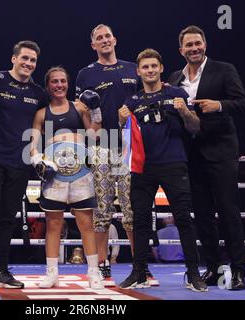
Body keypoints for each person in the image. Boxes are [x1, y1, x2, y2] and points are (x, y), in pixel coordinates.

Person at [168, 25, 245, 290]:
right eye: (188, 45)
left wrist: (220, 105)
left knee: (228, 211)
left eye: (197, 43)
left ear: (205, 44)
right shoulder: (174, 79)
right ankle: (213, 268)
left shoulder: (224, 70)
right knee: (202, 214)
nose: (194, 48)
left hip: (221, 151)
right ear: (181, 50)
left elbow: (243, 104)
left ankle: (238, 270)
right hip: (191, 155)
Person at [118, 48, 207, 292]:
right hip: (143, 167)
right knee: (141, 221)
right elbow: (125, 139)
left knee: (183, 220)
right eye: (145, 67)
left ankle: (193, 273)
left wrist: (184, 110)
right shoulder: (131, 102)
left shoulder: (177, 93)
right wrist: (121, 119)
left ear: (161, 68)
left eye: (153, 66)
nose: (149, 70)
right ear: (138, 72)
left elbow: (195, 127)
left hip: (174, 163)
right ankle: (140, 272)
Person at [0, 40, 47, 292]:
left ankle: (0, 270)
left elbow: (49, 117)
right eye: (24, 58)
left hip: (20, 161)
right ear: (14, 58)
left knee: (7, 218)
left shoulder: (38, 93)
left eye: (33, 60)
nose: (28, 63)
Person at [75, 24, 142, 283]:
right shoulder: (85, 74)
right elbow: (82, 109)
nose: (104, 40)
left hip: (129, 146)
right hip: (102, 146)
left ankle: (140, 265)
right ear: (93, 45)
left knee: (132, 209)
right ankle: (102, 265)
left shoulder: (132, 68)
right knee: (102, 209)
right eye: (98, 38)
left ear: (114, 39)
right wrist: (91, 132)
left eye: (107, 36)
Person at [30, 66, 104, 289]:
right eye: (55, 81)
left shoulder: (79, 107)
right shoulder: (41, 114)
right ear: (48, 86)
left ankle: (93, 273)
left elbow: (95, 135)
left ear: (68, 84)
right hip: (55, 176)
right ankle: (52, 274)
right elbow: (32, 144)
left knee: (86, 223)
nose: (59, 85)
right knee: (53, 224)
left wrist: (96, 111)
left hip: (80, 173)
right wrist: (37, 160)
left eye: (63, 81)